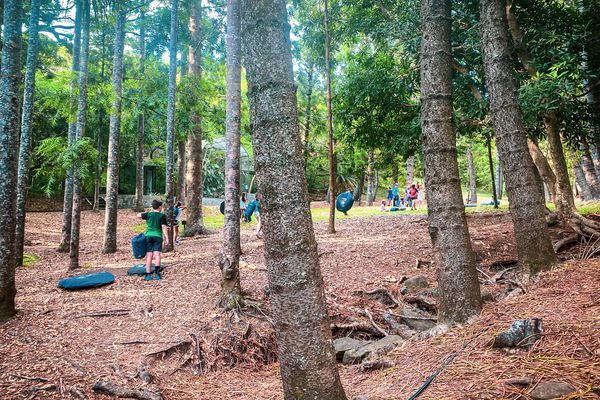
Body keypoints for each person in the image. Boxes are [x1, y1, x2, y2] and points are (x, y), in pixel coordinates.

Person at [137, 199, 168, 281]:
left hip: (148, 236)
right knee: (157, 255)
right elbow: (164, 227)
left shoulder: (149, 214)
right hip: (158, 237)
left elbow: (138, 215)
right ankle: (157, 274)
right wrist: (167, 238)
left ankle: (148, 275)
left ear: (153, 207)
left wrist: (146, 213)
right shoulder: (162, 216)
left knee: (149, 255)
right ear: (160, 207)